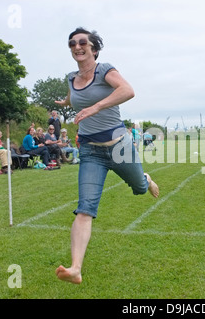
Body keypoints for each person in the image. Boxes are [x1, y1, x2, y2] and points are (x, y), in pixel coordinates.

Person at [54, 27, 159, 284]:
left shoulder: (105, 70)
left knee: (138, 187)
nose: (76, 46)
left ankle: (145, 178)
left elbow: (128, 90)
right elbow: (72, 97)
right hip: (90, 151)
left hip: (119, 147)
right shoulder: (70, 77)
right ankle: (76, 268)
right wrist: (65, 103)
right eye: (72, 44)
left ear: (93, 48)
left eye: (82, 43)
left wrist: (96, 107)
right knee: (85, 208)